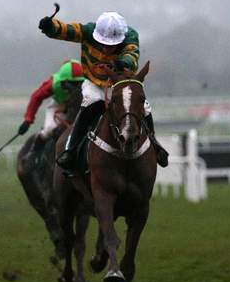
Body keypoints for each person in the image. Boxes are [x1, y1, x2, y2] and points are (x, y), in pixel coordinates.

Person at [38, 11, 169, 168]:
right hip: (93, 82)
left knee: (145, 107)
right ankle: (71, 150)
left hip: (121, 82)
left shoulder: (130, 35)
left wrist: (123, 62)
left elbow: (132, 55)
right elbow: (68, 30)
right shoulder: (88, 31)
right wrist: (50, 27)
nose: (107, 49)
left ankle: (154, 143)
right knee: (90, 102)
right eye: (103, 44)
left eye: (112, 45)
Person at [18, 59, 85, 169]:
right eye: (71, 84)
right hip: (59, 105)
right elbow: (36, 97)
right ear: (63, 81)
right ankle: (33, 154)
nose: (74, 87)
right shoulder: (53, 83)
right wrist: (28, 119)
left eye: (78, 83)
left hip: (80, 105)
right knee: (49, 129)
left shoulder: (88, 82)